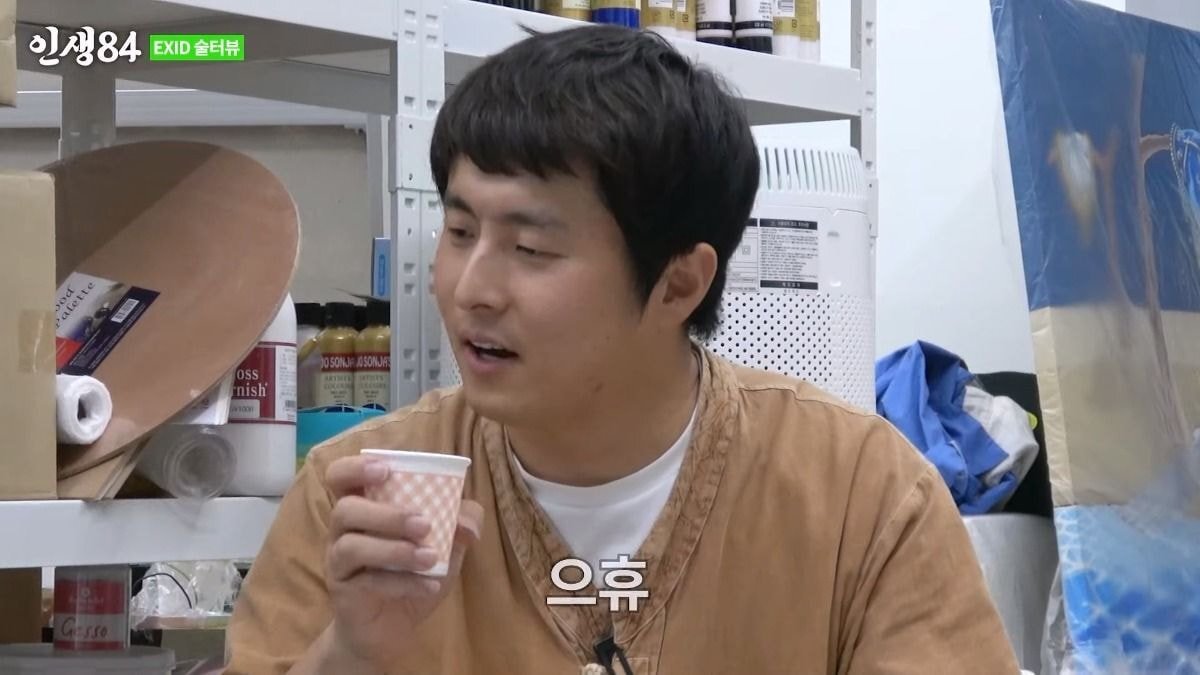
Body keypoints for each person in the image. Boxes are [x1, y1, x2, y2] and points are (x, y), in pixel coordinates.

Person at [225, 24, 1019, 675]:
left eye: (531, 248)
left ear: (679, 284)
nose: (471, 287)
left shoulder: (860, 496)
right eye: (460, 230)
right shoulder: (357, 498)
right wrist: (351, 655)